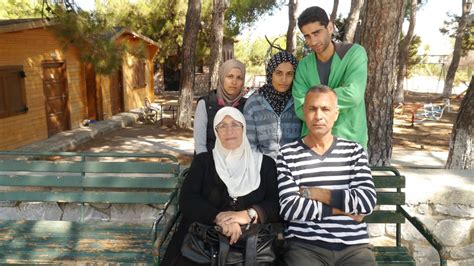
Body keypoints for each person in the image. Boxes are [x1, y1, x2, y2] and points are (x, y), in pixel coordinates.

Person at [162, 107, 280, 266]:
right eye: (222, 125)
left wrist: (248, 214)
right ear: (216, 131)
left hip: (252, 245)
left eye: (235, 124)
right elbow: (188, 200)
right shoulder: (203, 162)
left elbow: (275, 203)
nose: (229, 130)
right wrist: (219, 218)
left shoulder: (264, 164)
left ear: (244, 128)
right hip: (202, 242)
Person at [277, 86, 377, 265]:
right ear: (303, 112)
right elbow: (290, 208)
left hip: (353, 248)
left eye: (325, 109)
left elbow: (366, 202)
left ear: (336, 114)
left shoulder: (354, 151)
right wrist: (341, 210)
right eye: (312, 109)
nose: (318, 116)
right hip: (305, 246)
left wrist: (316, 193)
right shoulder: (287, 154)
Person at [292, 6, 369, 149]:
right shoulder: (304, 66)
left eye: (316, 33)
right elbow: (300, 108)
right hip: (313, 146)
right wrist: (334, 98)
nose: (313, 41)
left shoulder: (354, 54)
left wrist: (313, 103)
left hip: (349, 142)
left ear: (330, 27)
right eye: (307, 36)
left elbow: (354, 94)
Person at [244, 51, 302, 161]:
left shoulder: (298, 102)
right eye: (279, 73)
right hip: (263, 170)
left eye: (289, 74)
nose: (284, 79)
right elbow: (250, 146)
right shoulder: (254, 103)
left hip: (294, 168)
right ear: (270, 73)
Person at [194, 59, 247, 154]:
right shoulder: (206, 103)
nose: (234, 82)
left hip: (239, 165)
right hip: (209, 163)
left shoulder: (247, 105)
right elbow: (200, 144)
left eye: (239, 78)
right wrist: (206, 165)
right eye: (230, 76)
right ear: (222, 77)